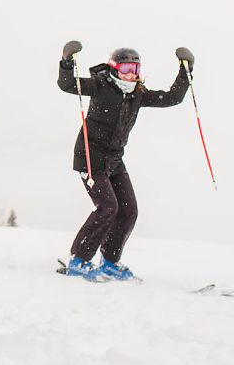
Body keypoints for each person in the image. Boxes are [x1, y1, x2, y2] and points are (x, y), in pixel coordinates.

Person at [57, 41, 194, 281]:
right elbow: (68, 84)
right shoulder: (100, 85)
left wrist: (186, 70)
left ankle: (109, 261)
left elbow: (172, 97)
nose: (131, 75)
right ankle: (78, 260)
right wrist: (67, 61)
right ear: (113, 69)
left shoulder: (137, 95)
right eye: (125, 69)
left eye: (135, 69)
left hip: (114, 160)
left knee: (129, 210)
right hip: (90, 156)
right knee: (108, 207)